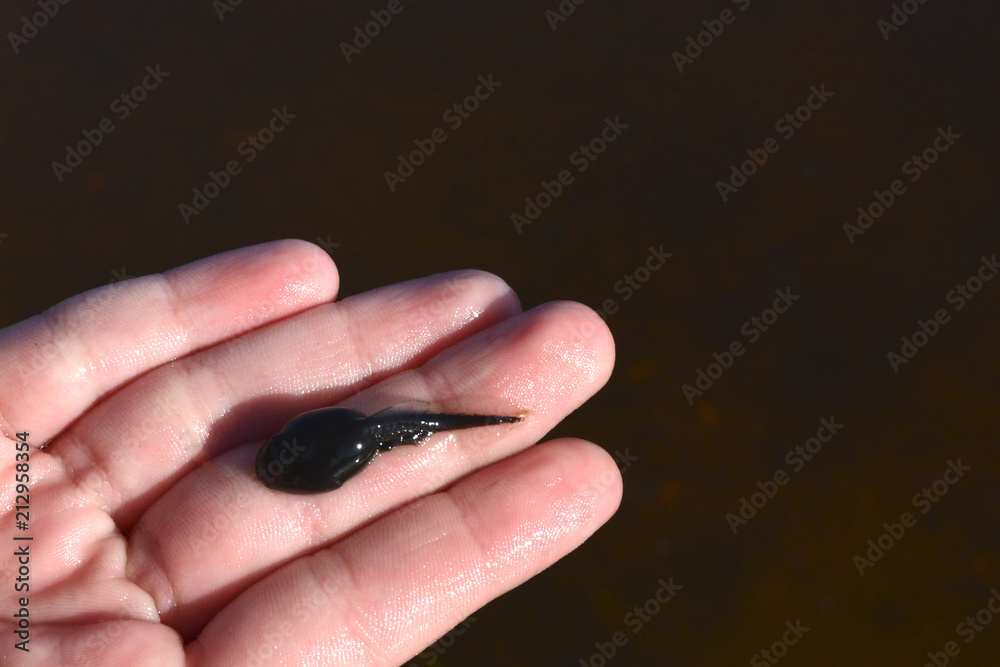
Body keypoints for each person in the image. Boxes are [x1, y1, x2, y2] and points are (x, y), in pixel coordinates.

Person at [0, 239, 621, 665]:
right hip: (354, 436)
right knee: (394, 430)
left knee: (399, 428)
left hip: (357, 435)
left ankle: (488, 417)